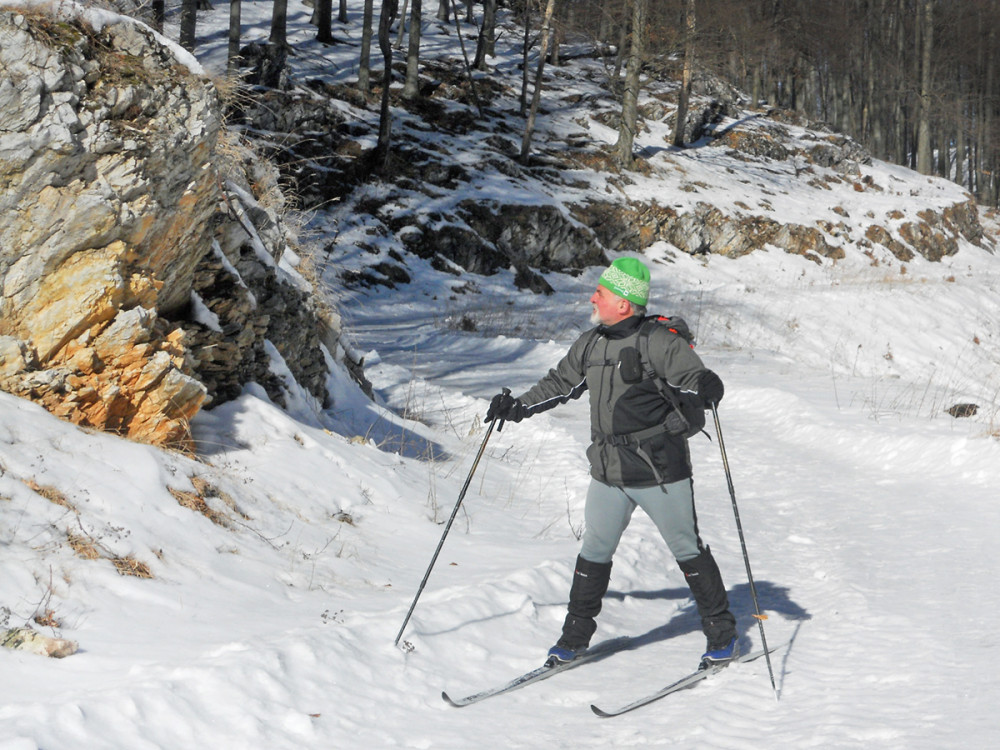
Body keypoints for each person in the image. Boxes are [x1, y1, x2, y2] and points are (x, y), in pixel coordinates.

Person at [486, 256, 737, 670]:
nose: (592, 297)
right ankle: (573, 640)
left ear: (623, 303)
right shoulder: (590, 343)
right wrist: (517, 407)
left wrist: (709, 386)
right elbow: (559, 383)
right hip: (608, 472)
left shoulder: (660, 342)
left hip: (659, 472)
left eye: (600, 292)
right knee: (594, 552)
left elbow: (696, 381)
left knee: (687, 549)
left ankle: (723, 636)